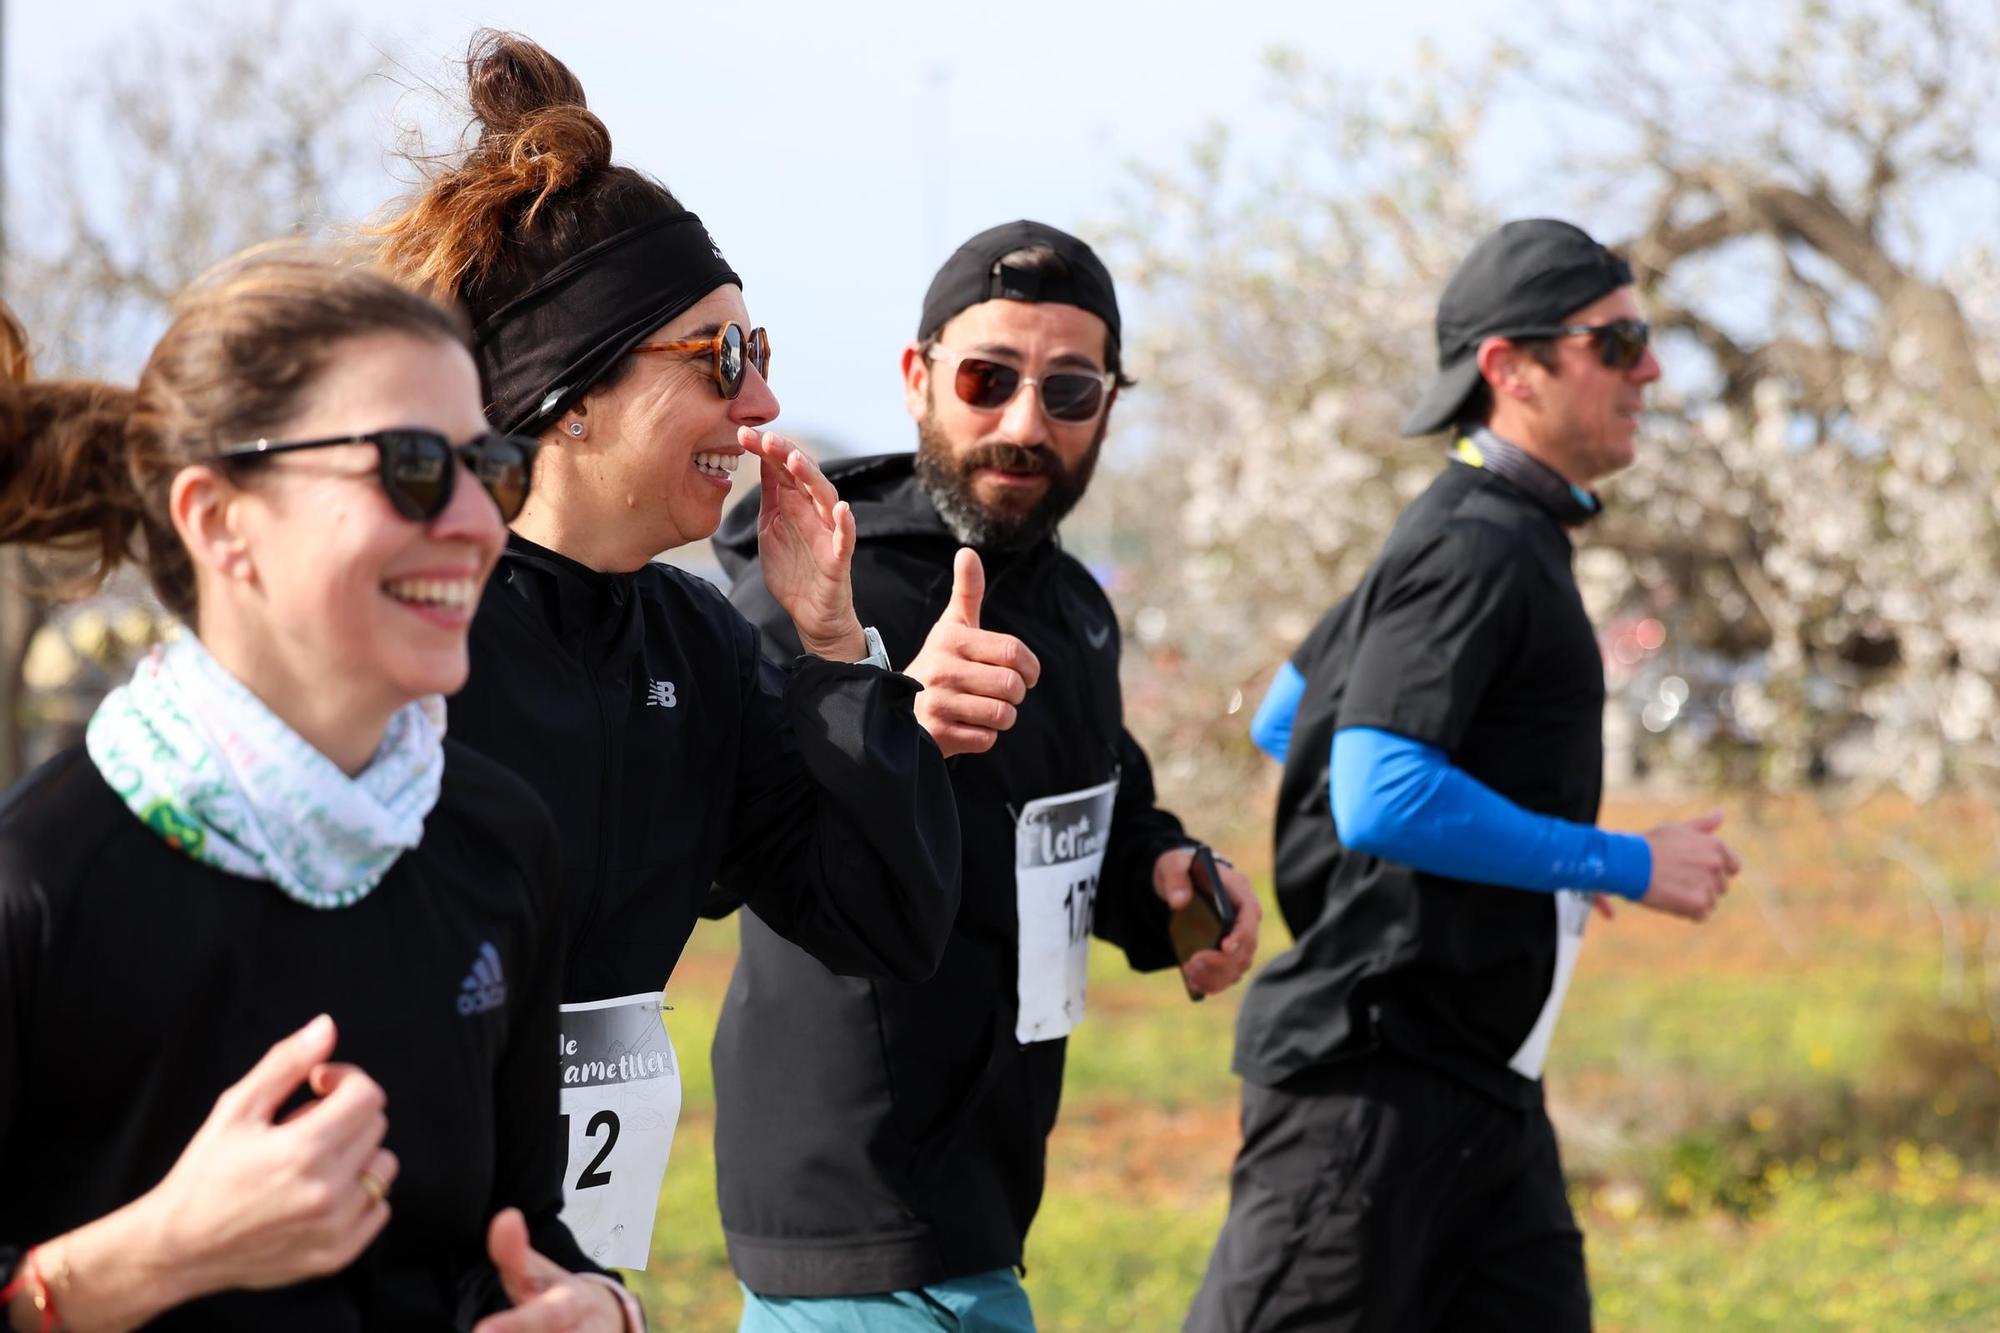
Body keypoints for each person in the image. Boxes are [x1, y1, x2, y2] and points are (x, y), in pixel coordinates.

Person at [371, 32, 966, 1268]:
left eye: (761, 355)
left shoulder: (698, 644)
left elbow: (887, 924)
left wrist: (839, 653)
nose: (758, 405)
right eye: (719, 358)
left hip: (584, 1282)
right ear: (568, 396)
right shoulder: (409, 639)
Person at [0, 253, 638, 1330]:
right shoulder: (38, 883)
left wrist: (594, 1306)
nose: (482, 524)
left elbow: (518, 1229)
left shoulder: (496, 838)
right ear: (218, 520)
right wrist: (145, 1258)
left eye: (491, 468)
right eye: (412, 467)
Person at [1185, 218, 1743, 1332]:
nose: (1652, 368)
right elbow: (1377, 789)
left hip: (1477, 1091)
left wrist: (1512, 848)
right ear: (1508, 368)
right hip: (1374, 1084)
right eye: (1617, 340)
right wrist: (1613, 859)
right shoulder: (1472, 541)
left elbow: (1292, 718)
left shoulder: (1471, 528)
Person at [710, 219, 1264, 1331]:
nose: (1022, 424)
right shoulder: (821, 575)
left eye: (1069, 391)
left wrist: (1166, 880)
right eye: (985, 377)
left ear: (1109, 405)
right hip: (849, 1203)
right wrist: (890, 707)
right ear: (917, 380)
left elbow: (1097, 813)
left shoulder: (1077, 610)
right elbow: (732, 820)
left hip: (988, 1195)